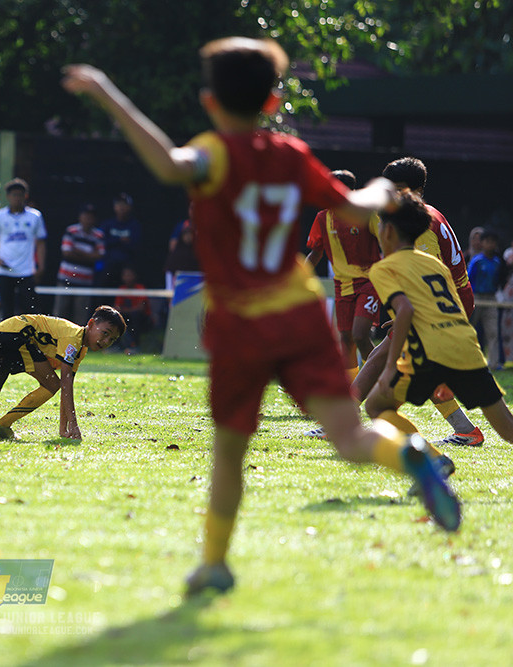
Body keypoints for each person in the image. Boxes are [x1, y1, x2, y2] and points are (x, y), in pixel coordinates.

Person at [62, 37, 460, 597]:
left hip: (241, 322)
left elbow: (165, 161)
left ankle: (215, 564)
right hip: (299, 313)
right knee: (348, 436)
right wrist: (381, 188)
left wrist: (107, 94)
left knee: (229, 452)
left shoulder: (213, 154)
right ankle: (411, 455)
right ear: (273, 102)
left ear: (209, 102)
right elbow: (353, 204)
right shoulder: (291, 155)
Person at [364, 195, 513, 463]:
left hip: (428, 352)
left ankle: (434, 461)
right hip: (465, 346)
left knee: (376, 406)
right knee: (507, 429)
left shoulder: (383, 268)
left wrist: (390, 368)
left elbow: (406, 310)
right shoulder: (435, 264)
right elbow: (449, 308)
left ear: (386, 230)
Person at [348, 157, 485, 447]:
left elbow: (427, 275)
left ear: (415, 190)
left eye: (396, 189)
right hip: (448, 302)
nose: (390, 196)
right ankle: (465, 430)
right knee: (416, 368)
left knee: (379, 361)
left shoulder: (419, 224)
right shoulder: (424, 215)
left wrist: (405, 314)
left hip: (444, 305)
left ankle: (341, 420)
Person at [0, 305, 126, 442]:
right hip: (13, 337)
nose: (105, 341)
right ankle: (2, 426)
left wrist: (64, 429)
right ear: (90, 324)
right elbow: (64, 385)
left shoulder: (80, 349)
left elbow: (66, 387)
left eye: (112, 339)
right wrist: (73, 425)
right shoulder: (73, 338)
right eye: (105, 333)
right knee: (53, 385)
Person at [305, 170, 382, 370]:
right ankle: (352, 392)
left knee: (359, 335)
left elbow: (386, 242)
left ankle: (380, 381)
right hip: (343, 286)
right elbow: (315, 253)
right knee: (347, 340)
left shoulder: (366, 215)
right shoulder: (323, 218)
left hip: (370, 282)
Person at [0, 178, 47, 319]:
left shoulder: (35, 216)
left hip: (26, 270)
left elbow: (41, 243)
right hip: (4, 270)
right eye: (14, 195)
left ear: (25, 196)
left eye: (20, 194)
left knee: (30, 308)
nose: (17, 198)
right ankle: (6, 340)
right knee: (6, 310)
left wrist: (41, 267)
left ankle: (30, 339)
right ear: (8, 196)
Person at [53, 203, 105, 325]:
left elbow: (99, 256)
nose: (88, 218)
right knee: (59, 316)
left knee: (80, 319)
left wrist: (77, 250)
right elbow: (66, 253)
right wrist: (89, 254)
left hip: (85, 283)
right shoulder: (71, 231)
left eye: (91, 216)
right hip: (65, 280)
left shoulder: (99, 235)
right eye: (86, 215)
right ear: (80, 216)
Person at [468, 229, 504, 370]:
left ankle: (494, 363)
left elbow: (499, 280)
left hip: (491, 298)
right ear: (482, 243)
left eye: (493, 242)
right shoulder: (477, 261)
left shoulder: (497, 261)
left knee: (493, 331)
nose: (490, 245)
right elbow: (469, 279)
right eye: (487, 241)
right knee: (470, 330)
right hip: (476, 297)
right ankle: (469, 361)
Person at [98, 192, 141, 286]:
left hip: (126, 266)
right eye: (118, 204)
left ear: (130, 207)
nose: (121, 207)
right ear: (114, 207)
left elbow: (135, 245)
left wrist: (113, 241)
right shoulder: (107, 224)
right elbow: (101, 243)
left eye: (124, 204)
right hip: (108, 265)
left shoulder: (134, 225)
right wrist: (120, 240)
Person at [113, 266, 156, 354]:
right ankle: (115, 345)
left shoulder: (140, 288)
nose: (127, 278)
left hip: (143, 320)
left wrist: (124, 310)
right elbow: (117, 308)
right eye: (125, 275)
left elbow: (140, 308)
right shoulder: (122, 289)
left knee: (135, 316)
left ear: (134, 276)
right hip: (127, 318)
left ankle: (135, 346)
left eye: (129, 275)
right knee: (116, 318)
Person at [163, 217, 199, 291]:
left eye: (190, 233)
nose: (188, 236)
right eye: (186, 233)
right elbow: (169, 274)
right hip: (178, 292)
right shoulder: (175, 256)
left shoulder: (199, 254)